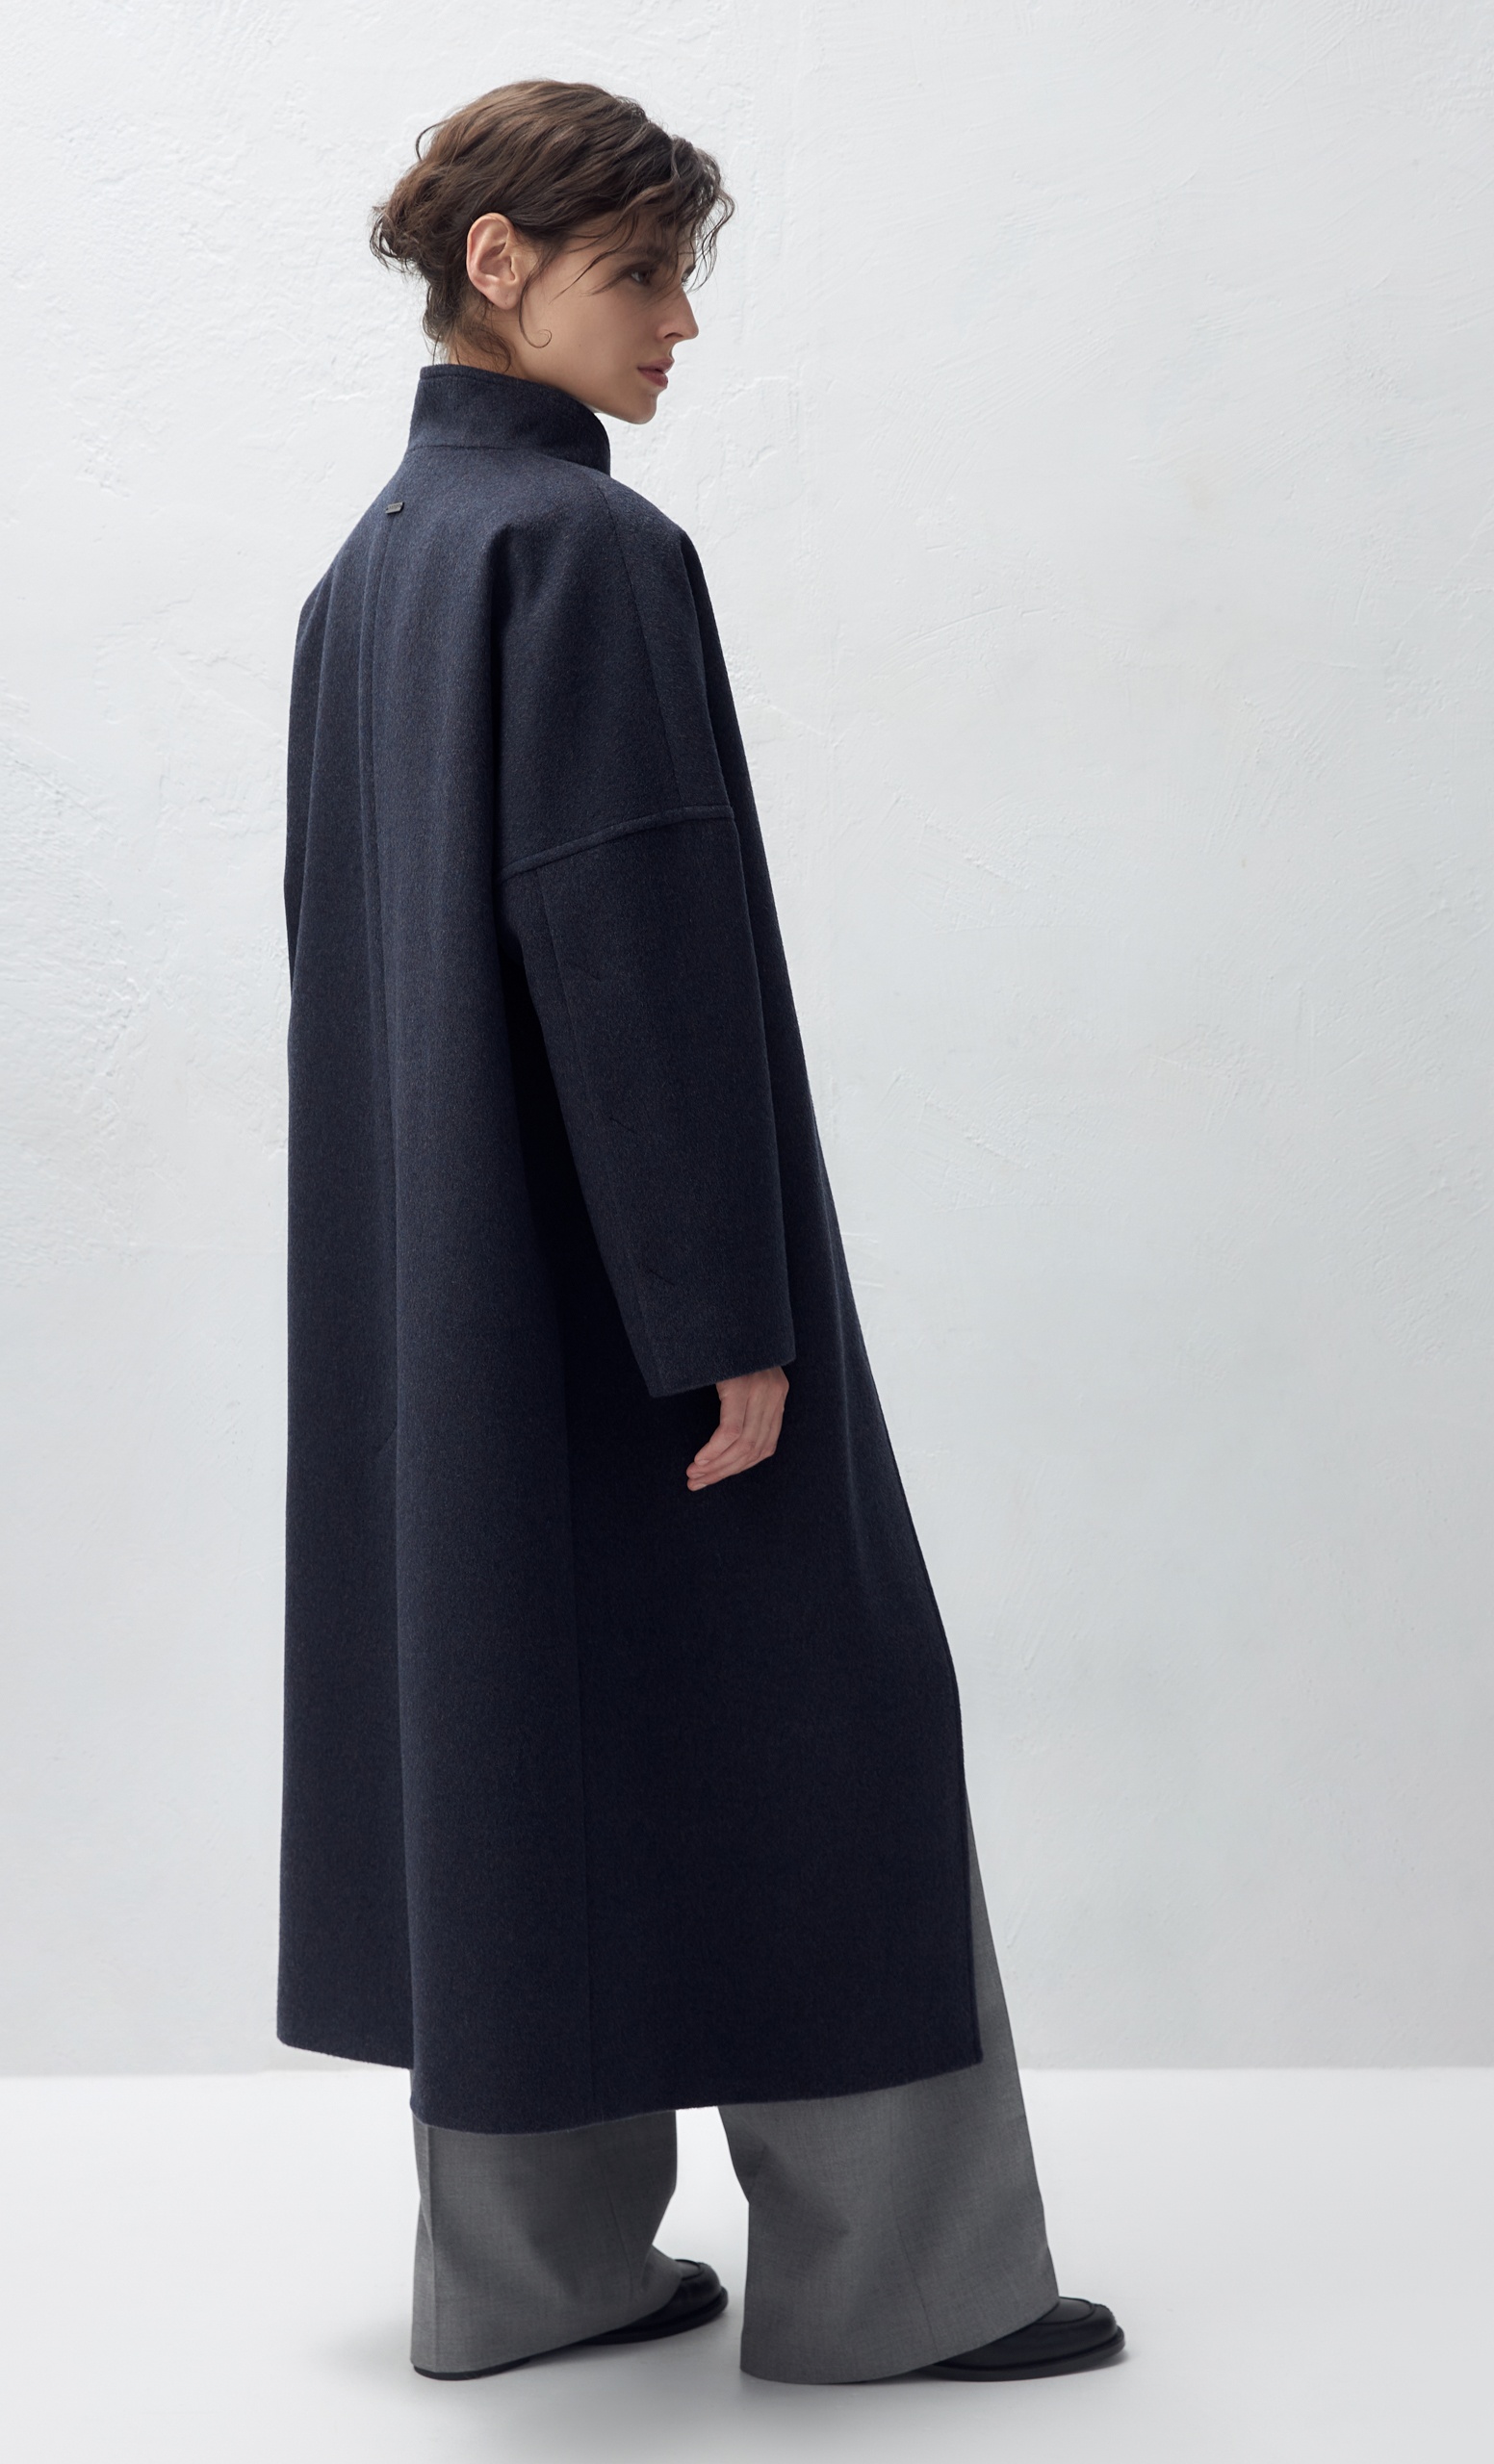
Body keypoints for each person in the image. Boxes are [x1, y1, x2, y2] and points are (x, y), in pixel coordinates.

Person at [278, 78, 1122, 2388]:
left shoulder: (366, 579)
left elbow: (345, 974)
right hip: (636, 1294)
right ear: (499, 265)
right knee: (821, 1725)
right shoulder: (589, 554)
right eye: (641, 274)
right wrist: (725, 1314)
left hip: (458, 1305)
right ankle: (902, 2282)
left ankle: (530, 2274)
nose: (678, 325)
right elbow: (628, 947)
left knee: (518, 1728)